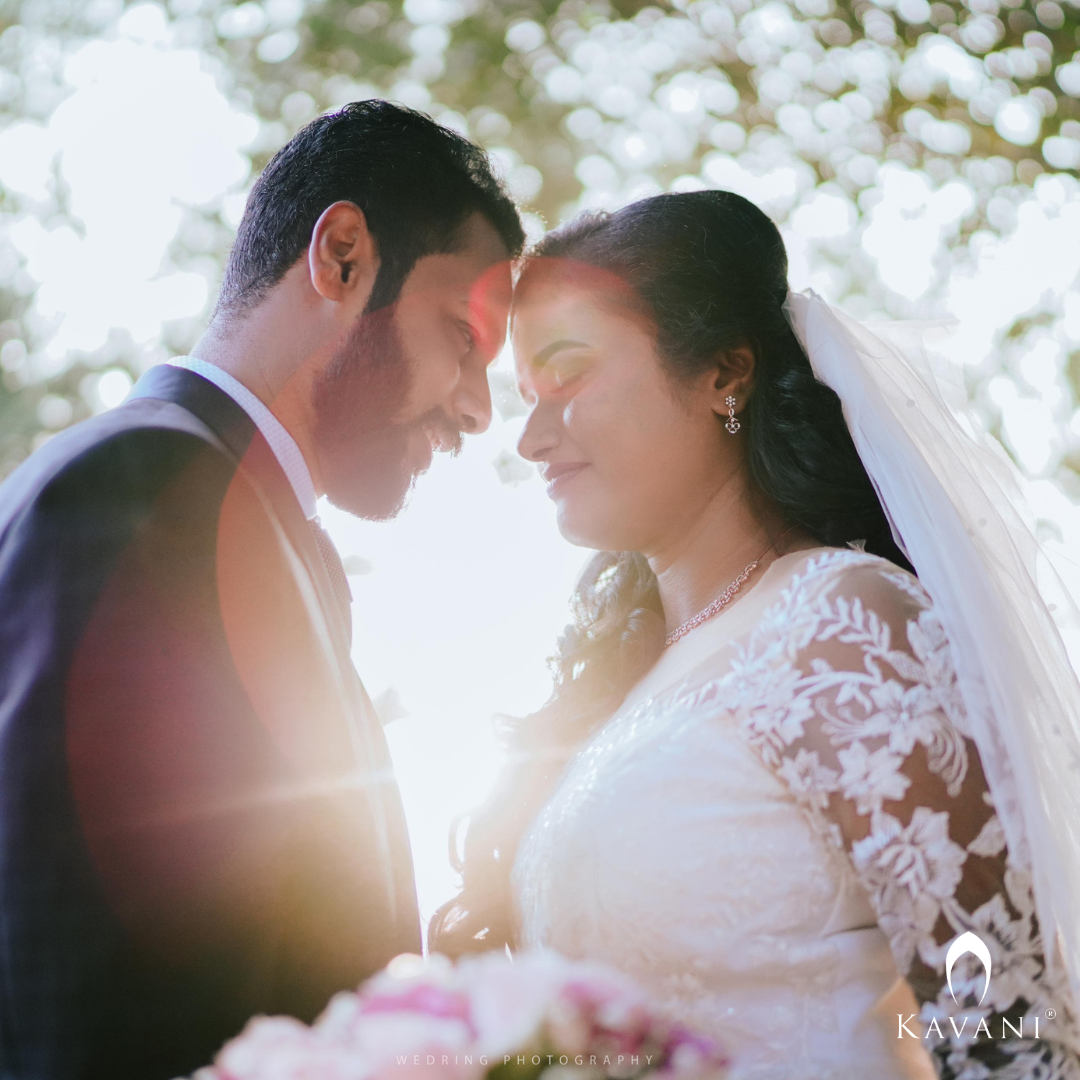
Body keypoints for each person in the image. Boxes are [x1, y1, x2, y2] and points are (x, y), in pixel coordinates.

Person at [429, 190, 1080, 1078]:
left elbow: (1009, 1032)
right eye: (527, 398)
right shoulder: (633, 685)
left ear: (724, 374)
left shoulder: (841, 626)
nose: (533, 437)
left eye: (569, 375)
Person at [0, 100, 522, 1079]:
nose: (477, 410)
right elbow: (80, 987)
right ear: (344, 257)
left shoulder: (229, 515)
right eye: (461, 337)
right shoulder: (146, 497)